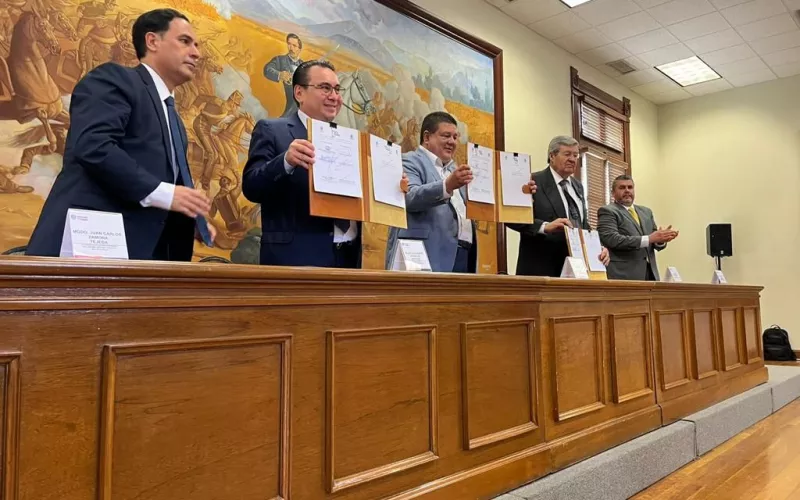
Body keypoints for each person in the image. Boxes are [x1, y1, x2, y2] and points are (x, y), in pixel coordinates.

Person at [27, 8, 215, 261]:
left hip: (148, 261)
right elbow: (94, 146)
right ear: (152, 41)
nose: (196, 53)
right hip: (89, 250)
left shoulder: (175, 120)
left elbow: (162, 187)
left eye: (197, 45)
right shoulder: (114, 79)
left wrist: (190, 220)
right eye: (185, 41)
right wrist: (166, 194)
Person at [243, 59, 406, 268]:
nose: (334, 96)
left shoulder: (351, 140)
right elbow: (251, 187)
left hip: (348, 258)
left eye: (337, 89)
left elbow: (359, 195)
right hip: (296, 258)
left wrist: (392, 184)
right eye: (325, 88)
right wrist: (285, 162)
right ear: (299, 93)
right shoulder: (272, 130)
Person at [385, 111, 536, 273]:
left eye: (455, 137)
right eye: (446, 136)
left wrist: (520, 194)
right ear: (427, 137)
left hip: (464, 253)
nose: (452, 142)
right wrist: (447, 186)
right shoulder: (409, 160)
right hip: (428, 253)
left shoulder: (456, 170)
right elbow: (409, 197)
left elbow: (486, 202)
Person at [508, 136, 609, 276]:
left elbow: (582, 224)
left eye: (575, 155)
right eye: (567, 154)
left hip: (575, 271)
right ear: (552, 156)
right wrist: (544, 227)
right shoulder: (533, 181)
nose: (572, 159)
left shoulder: (578, 186)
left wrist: (597, 247)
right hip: (541, 269)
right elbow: (512, 217)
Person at [597, 175, 677, 281]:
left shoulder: (646, 212)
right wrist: (649, 238)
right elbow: (612, 239)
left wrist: (661, 240)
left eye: (630, 187)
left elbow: (654, 241)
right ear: (613, 193)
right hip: (623, 275)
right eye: (622, 188)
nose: (627, 190)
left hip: (650, 273)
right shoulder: (607, 211)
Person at [264, 33, 304, 118]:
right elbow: (267, 69)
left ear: (299, 49)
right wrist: (280, 74)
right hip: (287, 103)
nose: (291, 48)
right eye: (289, 44)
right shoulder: (280, 60)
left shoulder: (304, 65)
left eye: (294, 45)